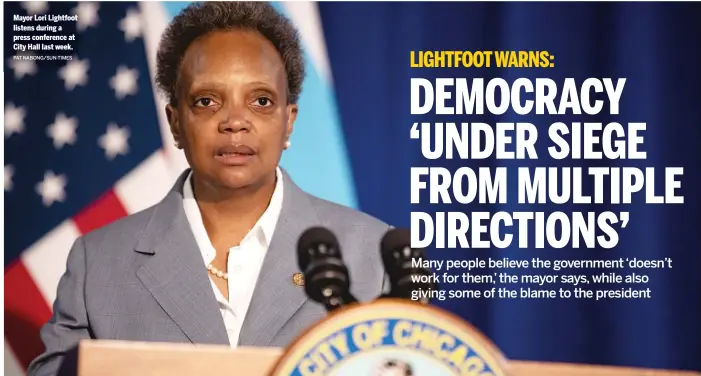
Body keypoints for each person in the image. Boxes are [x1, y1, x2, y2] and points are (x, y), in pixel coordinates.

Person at [27, 2, 389, 375]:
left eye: (261, 101)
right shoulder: (98, 263)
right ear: (176, 122)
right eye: (207, 101)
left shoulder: (370, 255)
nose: (235, 122)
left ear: (288, 121)